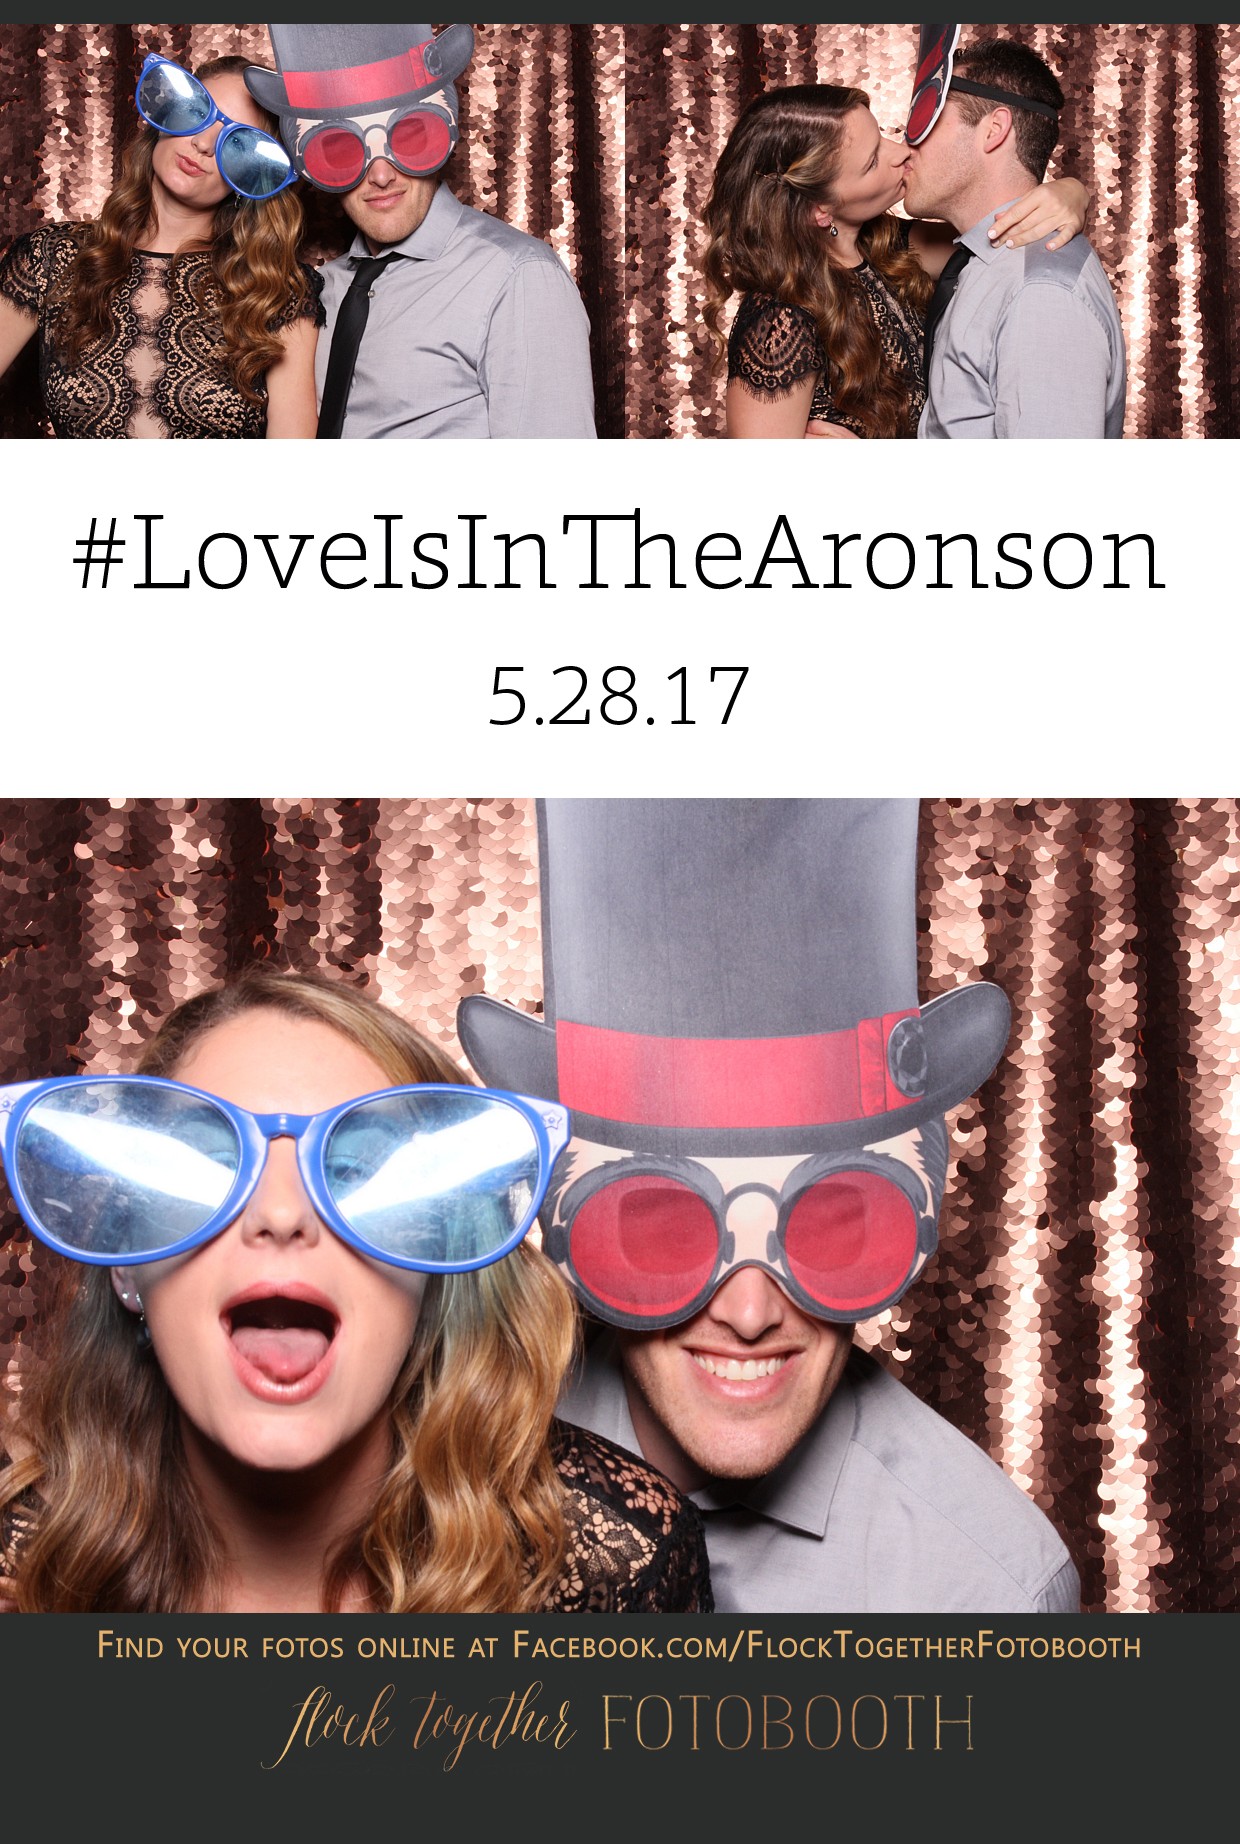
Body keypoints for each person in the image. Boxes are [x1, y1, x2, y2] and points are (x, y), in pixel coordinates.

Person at [459, 800, 1081, 1615]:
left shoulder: (986, 1596)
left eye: (829, 1221)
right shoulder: (440, 1473)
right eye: (665, 1224)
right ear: (570, 1213)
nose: (750, 1313)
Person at [0, 968, 711, 1614]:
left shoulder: (615, 1565)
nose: (282, 1213)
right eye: (211, 1168)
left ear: (434, 1264)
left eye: (354, 1174)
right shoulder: (19, 1561)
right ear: (127, 1267)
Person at [245, 24, 597, 439]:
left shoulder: (517, 277)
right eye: (341, 149)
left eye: (410, 137)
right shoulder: (320, 292)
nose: (381, 176)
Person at [703, 82, 1088, 439]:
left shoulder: (892, 247)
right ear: (819, 210)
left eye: (882, 136)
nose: (902, 152)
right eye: (872, 161)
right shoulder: (779, 321)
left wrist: (1071, 192)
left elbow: (995, 228)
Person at [0, 54, 320, 439]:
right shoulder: (52, 257)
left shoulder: (278, 291)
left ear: (253, 173)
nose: (203, 143)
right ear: (167, 112)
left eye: (236, 142)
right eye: (197, 112)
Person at [902, 33, 1126, 438]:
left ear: (994, 130)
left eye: (929, 118)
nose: (905, 145)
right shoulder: (983, 258)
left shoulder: (1040, 294)